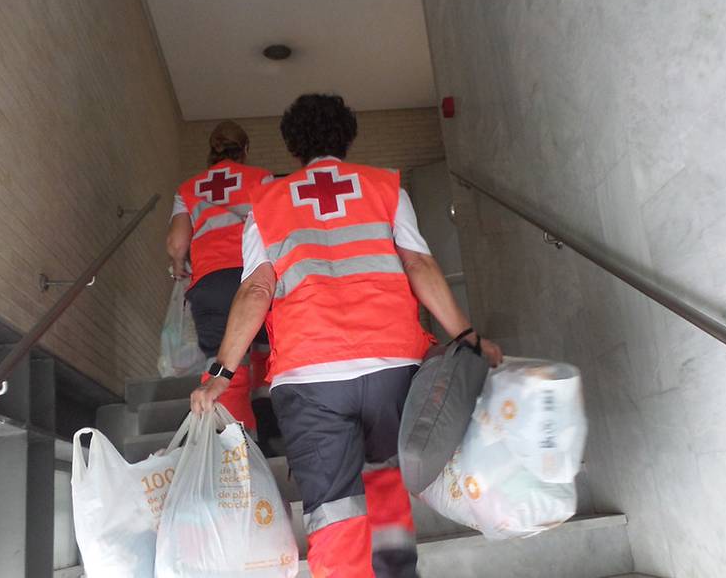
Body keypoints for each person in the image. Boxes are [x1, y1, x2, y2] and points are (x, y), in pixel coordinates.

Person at [190, 94, 502, 578]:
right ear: (347, 138)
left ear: (293, 148)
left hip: (310, 374)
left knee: (334, 509)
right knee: (386, 481)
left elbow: (255, 291)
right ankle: (398, 571)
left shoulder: (267, 203)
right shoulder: (385, 187)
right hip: (393, 366)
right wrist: (465, 335)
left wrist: (221, 373)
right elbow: (418, 264)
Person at [167, 120, 275, 436]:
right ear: (245, 150)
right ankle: (271, 426)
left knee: (222, 361)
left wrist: (177, 266)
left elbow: (177, 243)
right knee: (265, 352)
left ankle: (237, 443)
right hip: (256, 277)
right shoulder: (260, 178)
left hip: (210, 283)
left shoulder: (187, 189)